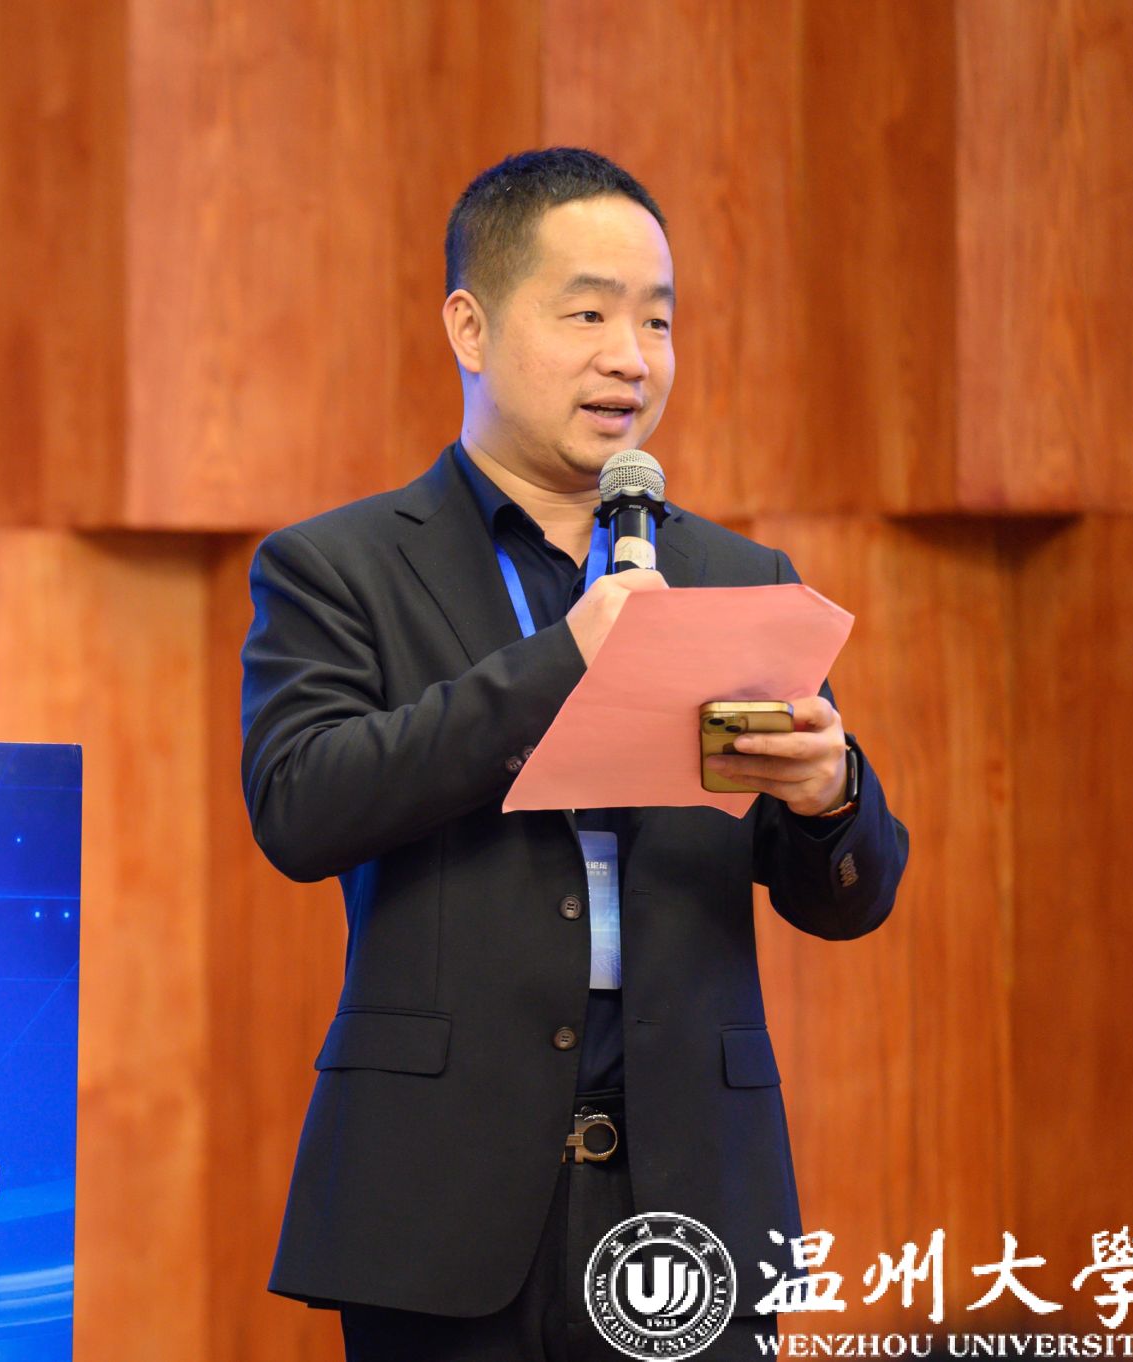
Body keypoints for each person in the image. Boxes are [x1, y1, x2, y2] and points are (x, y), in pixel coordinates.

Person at [238, 147, 910, 1361]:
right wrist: (564, 660)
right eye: (588, 314)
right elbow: (298, 804)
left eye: (657, 320)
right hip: (436, 1191)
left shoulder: (732, 576)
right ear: (470, 327)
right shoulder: (339, 566)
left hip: (689, 1188)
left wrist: (830, 798)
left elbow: (844, 898)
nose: (631, 358)